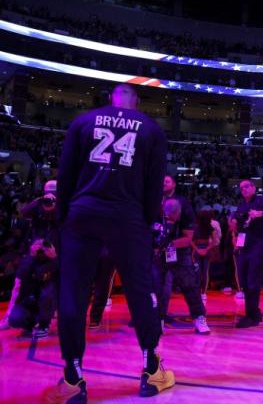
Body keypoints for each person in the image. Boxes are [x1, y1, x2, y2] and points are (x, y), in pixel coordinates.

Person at [49, 84, 173, 401]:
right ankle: (151, 369)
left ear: (110, 100)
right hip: (129, 217)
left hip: (83, 212)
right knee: (141, 292)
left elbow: (66, 174)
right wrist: (146, 222)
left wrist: (64, 216)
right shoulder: (151, 129)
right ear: (137, 102)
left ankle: (74, 376)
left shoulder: (83, 121)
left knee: (73, 293)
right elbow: (154, 185)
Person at [151, 198, 210, 334]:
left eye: (175, 217)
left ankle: (199, 317)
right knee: (159, 288)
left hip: (180, 253)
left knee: (190, 285)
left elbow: (188, 239)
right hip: (159, 254)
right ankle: (158, 320)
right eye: (169, 217)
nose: (172, 220)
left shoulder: (187, 212)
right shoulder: (154, 211)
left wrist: (169, 244)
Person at [233, 180, 263, 327]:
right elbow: (239, 226)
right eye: (241, 188)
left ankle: (251, 315)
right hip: (244, 246)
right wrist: (233, 222)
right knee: (244, 281)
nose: (244, 189)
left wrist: (261, 213)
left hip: (258, 245)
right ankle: (254, 313)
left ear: (253, 188)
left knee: (253, 280)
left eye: (246, 186)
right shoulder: (241, 205)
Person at [8, 238, 57, 338]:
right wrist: (32, 257)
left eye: (43, 250)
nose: (41, 253)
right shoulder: (29, 262)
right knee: (15, 319)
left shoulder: (55, 263)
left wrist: (54, 258)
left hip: (47, 299)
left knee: (47, 293)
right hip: (31, 299)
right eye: (38, 250)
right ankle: (29, 325)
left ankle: (44, 325)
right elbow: (22, 276)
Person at [191, 206, 221, 302]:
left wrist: (197, 250)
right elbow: (214, 241)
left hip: (197, 250)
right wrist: (207, 249)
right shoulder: (210, 227)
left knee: (198, 272)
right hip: (206, 250)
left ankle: (199, 292)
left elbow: (191, 241)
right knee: (205, 272)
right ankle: (203, 293)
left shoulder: (195, 227)